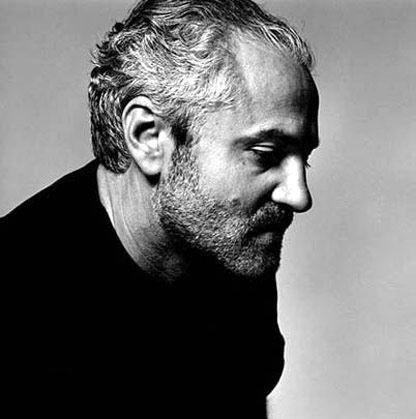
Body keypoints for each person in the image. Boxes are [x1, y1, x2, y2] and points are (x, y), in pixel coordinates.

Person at [1, 0, 319, 417]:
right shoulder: (17, 306)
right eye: (266, 154)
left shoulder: (229, 250)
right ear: (148, 136)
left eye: (304, 159)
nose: (298, 196)